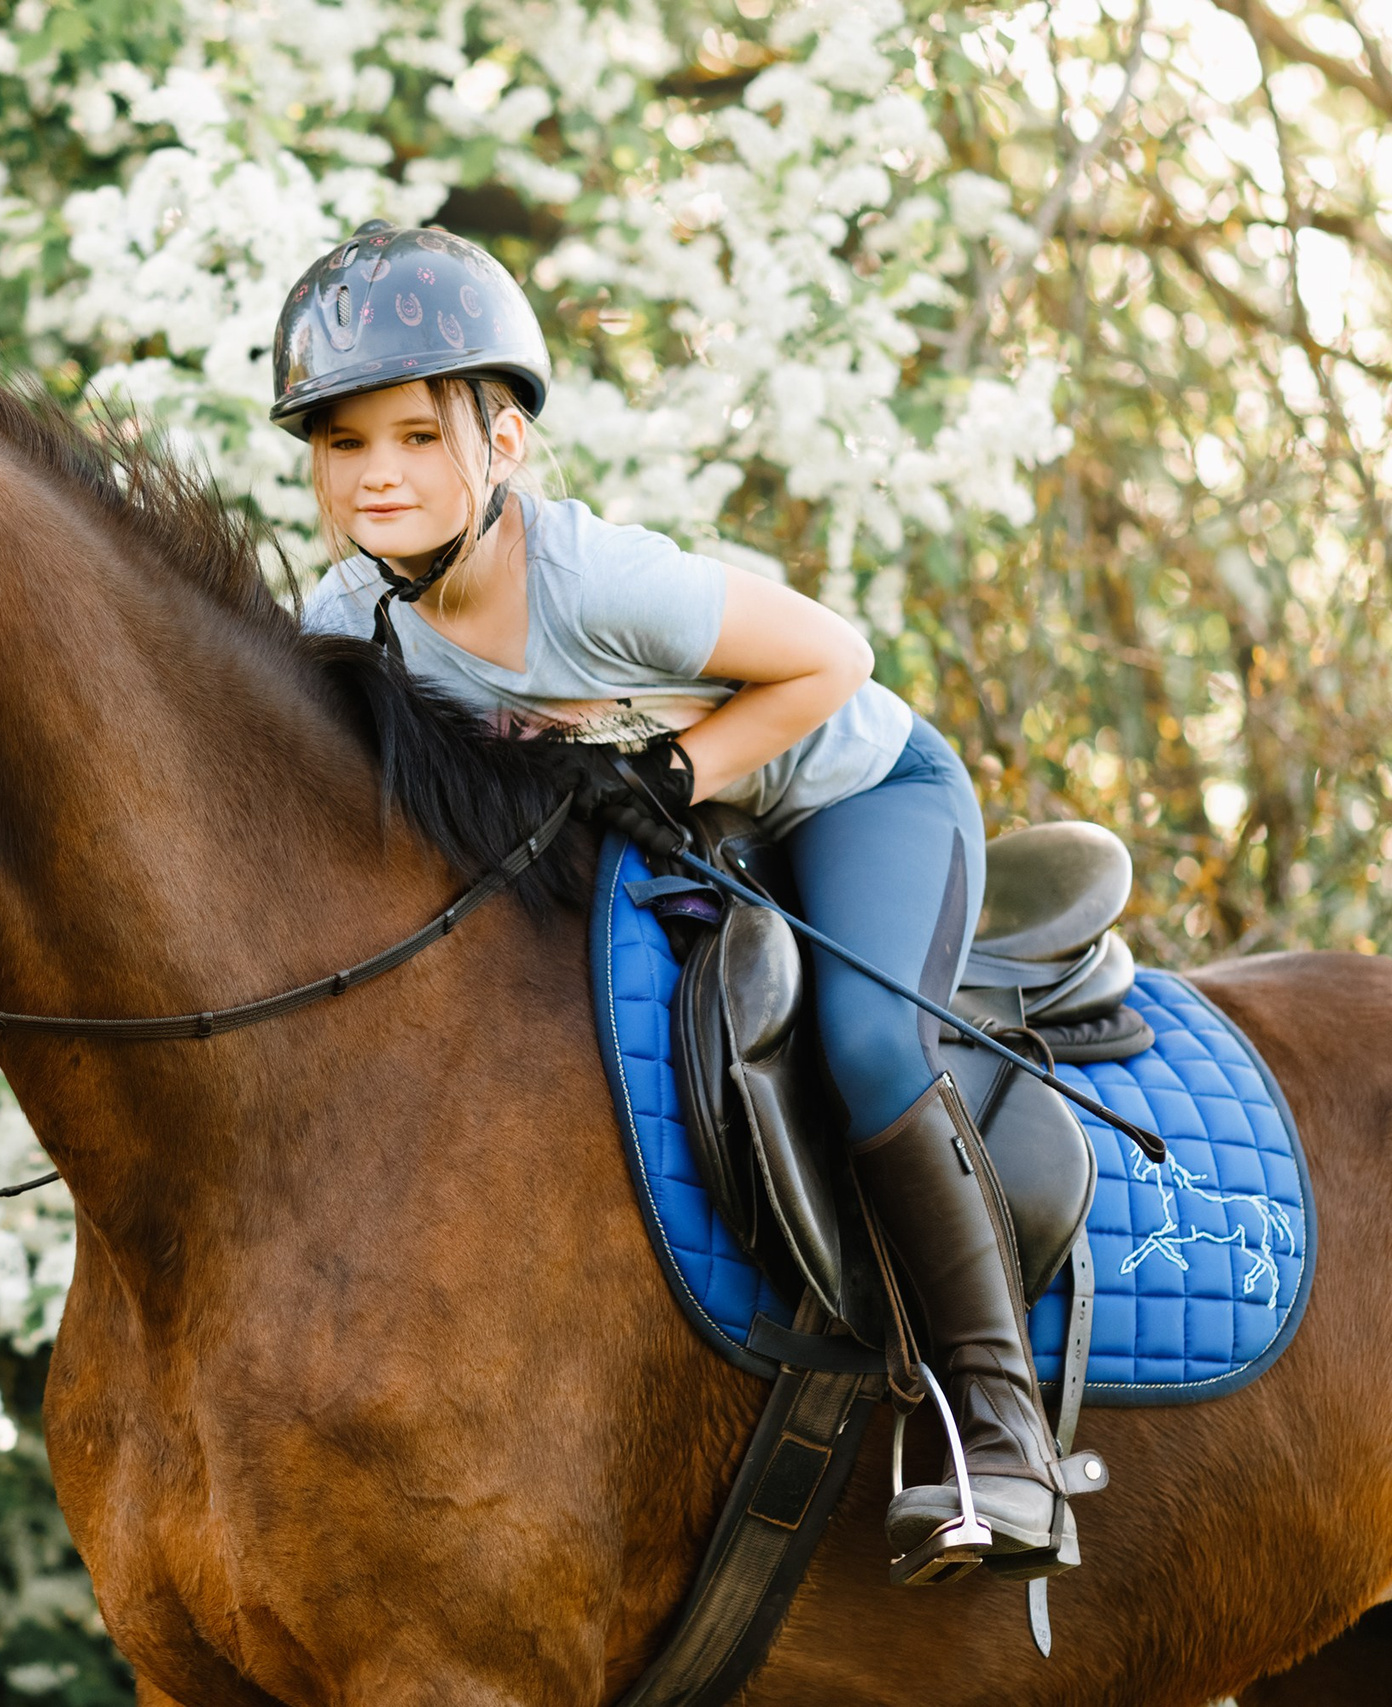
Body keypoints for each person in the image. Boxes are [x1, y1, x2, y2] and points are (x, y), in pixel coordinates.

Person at [274, 222, 1079, 1578]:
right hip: (694, 825)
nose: (378, 477)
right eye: (344, 444)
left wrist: (678, 764)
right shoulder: (348, 623)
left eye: (416, 437)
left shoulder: (598, 584)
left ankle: (1003, 1433)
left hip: (852, 790)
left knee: (872, 1045)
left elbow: (834, 658)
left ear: (504, 446)